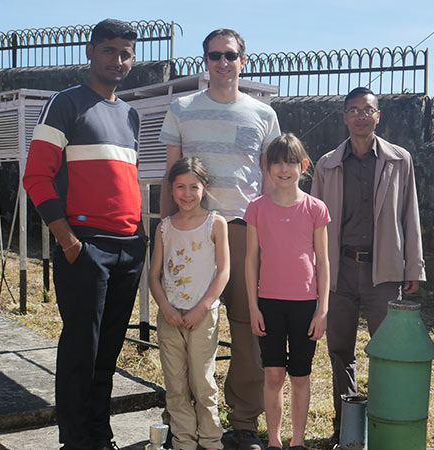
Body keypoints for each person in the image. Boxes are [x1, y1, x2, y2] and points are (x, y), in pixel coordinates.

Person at [22, 19, 144, 450]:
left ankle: (99, 434)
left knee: (108, 353)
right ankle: (75, 441)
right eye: (110, 50)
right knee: (81, 352)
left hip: (129, 249)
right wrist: (69, 241)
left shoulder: (130, 115)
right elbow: (36, 177)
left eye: (126, 52)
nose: (118, 60)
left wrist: (139, 240)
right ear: (90, 51)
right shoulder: (65, 104)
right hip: (85, 245)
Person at [159, 28, 281, 450]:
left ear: (243, 60)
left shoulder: (263, 114)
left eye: (230, 55)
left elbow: (269, 179)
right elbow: (170, 175)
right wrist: (164, 231)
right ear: (205, 61)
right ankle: (185, 416)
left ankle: (244, 420)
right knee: (188, 321)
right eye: (214, 56)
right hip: (192, 231)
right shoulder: (182, 108)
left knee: (248, 327)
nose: (222, 63)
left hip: (245, 231)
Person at [310, 87, 426, 445]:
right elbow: (312, 222)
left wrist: (414, 267)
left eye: (368, 110)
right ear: (344, 116)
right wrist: (313, 270)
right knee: (340, 350)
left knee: (385, 350)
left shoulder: (399, 159)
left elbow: (411, 214)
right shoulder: (327, 164)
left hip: (384, 271)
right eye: (354, 110)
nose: (361, 116)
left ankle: (381, 422)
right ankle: (345, 428)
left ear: (379, 116)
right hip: (339, 270)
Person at [244, 133, 330, 450]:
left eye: (291, 162)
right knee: (273, 374)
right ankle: (275, 440)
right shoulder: (256, 209)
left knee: (300, 376)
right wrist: (253, 307)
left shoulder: (315, 209)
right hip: (268, 304)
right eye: (277, 162)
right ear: (267, 167)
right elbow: (251, 261)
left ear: (303, 166)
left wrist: (322, 310)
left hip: (306, 305)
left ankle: (297, 440)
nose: (284, 169)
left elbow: (323, 262)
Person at [148, 157, 229, 450]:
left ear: (204, 188)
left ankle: (210, 441)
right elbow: (154, 275)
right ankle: (183, 441)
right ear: (171, 189)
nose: (187, 193)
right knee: (176, 384)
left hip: (202, 316)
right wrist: (166, 309)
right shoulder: (164, 228)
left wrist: (201, 308)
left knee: (202, 382)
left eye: (193, 187)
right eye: (180, 186)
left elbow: (223, 272)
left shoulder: (215, 223)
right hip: (170, 317)